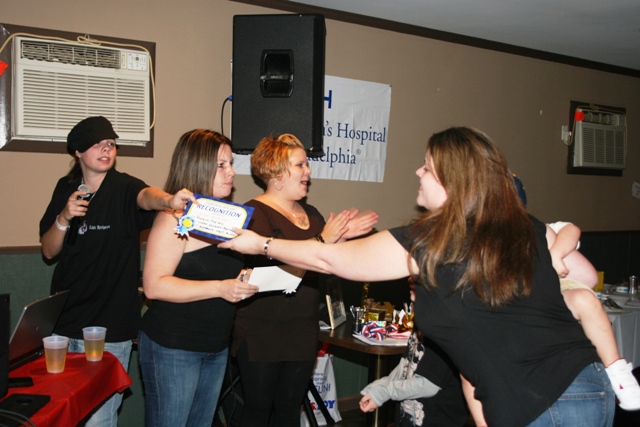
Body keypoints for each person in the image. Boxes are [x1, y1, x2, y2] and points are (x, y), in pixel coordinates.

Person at [221, 126, 616, 426]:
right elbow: (474, 358)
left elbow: (328, 261)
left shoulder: (431, 240)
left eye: (426, 166)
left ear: (449, 179)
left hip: (543, 401)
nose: (417, 171)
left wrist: (261, 244)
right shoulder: (524, 225)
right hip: (589, 384)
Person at [39, 116, 196, 427]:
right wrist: (64, 216)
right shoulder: (66, 188)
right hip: (63, 325)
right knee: (62, 416)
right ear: (78, 152)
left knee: (99, 419)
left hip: (108, 330)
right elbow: (48, 250)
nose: (106, 149)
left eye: (110, 143)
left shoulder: (124, 187)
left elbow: (146, 196)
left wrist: (168, 199)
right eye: (97, 144)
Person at [230, 134, 378, 427]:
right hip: (262, 332)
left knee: (289, 412)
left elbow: (323, 261)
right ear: (277, 174)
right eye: (300, 165)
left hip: (302, 331)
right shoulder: (254, 214)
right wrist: (324, 240)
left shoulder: (311, 214)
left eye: (307, 164)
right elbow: (275, 269)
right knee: (258, 412)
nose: (308, 171)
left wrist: (342, 239)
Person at [137, 130, 260, 427]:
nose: (232, 172)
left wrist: (243, 280)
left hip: (216, 344)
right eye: (221, 165)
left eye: (231, 164)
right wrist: (220, 288)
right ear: (198, 166)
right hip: (173, 346)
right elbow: (154, 286)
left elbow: (219, 272)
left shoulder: (229, 218)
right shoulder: (173, 217)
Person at [514, 176, 640, 411]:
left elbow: (572, 229)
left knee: (586, 300)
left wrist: (555, 255)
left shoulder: (542, 229)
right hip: (524, 308)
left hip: (559, 291)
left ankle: (617, 371)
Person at [359, 280, 469, 427]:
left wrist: (384, 392)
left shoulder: (445, 329)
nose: (410, 280)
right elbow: (405, 364)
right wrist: (381, 385)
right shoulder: (423, 320)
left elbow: (426, 384)